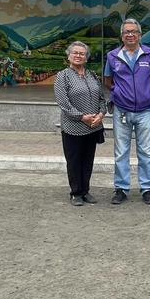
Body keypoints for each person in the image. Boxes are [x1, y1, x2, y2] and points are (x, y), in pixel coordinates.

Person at [104, 19, 150, 205]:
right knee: (121, 152)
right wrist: (120, 93)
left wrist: (146, 93)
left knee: (147, 152)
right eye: (126, 32)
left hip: (145, 111)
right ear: (122, 36)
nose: (130, 34)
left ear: (140, 35)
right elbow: (108, 81)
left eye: (134, 31)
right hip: (121, 111)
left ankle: (147, 189)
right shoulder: (112, 56)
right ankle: (121, 188)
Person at [54, 41, 106, 206]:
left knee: (88, 160)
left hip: (92, 127)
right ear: (69, 56)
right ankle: (76, 192)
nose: (78, 56)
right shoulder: (63, 76)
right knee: (74, 161)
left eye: (82, 53)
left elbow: (102, 99)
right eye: (75, 53)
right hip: (73, 127)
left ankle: (85, 191)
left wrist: (101, 114)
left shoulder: (92, 75)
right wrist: (82, 117)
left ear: (86, 57)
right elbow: (63, 103)